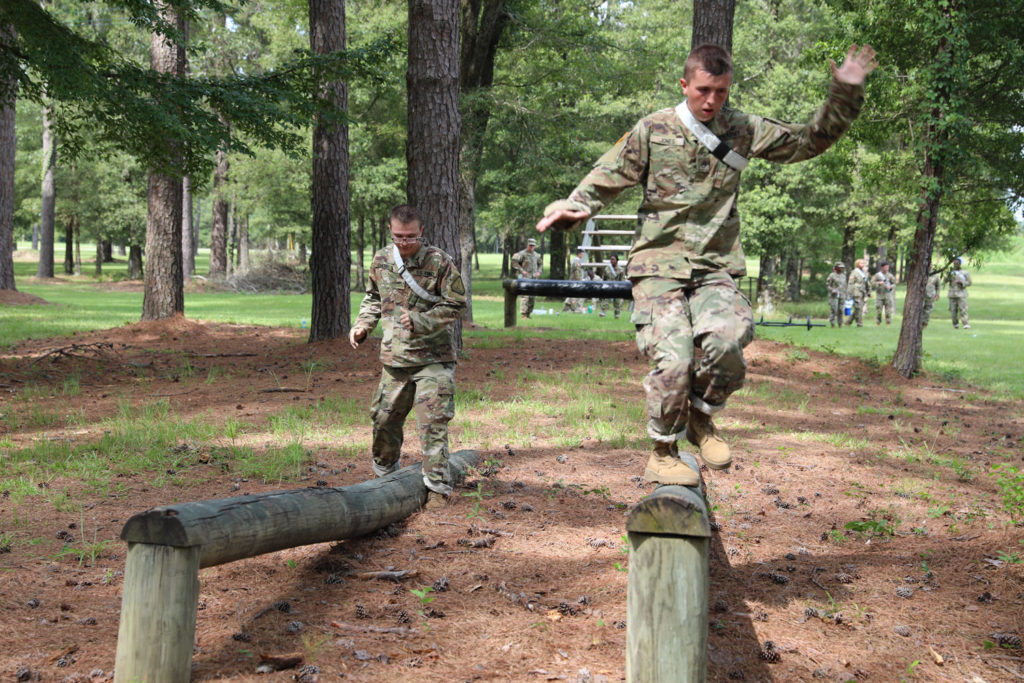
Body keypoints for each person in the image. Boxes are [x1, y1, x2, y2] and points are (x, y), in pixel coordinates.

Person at [536, 43, 877, 485]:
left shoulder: (742, 129)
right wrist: (575, 205)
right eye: (703, 90)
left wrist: (844, 94)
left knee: (730, 343)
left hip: (715, 266)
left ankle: (700, 415)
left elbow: (808, 141)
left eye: (721, 91)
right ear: (685, 85)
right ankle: (663, 450)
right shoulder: (653, 129)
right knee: (674, 358)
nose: (711, 100)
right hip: (659, 265)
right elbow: (607, 176)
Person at [349, 204, 467, 497]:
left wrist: (421, 321)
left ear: (421, 232)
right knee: (384, 420)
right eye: (399, 236)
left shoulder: (439, 262)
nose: (404, 243)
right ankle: (385, 478)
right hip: (395, 358)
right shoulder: (380, 260)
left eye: (410, 237)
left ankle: (438, 490)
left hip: (434, 358)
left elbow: (456, 303)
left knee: (432, 424)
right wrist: (362, 325)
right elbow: (373, 298)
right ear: (390, 231)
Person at [511, 238, 542, 319]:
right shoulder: (522, 254)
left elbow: (540, 264)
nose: (531, 247)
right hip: (525, 278)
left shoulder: (536, 255)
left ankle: (529, 313)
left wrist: (539, 272)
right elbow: (514, 262)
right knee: (525, 296)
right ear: (527, 245)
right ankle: (524, 314)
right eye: (530, 245)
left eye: (533, 246)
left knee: (532, 297)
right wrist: (521, 270)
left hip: (534, 279)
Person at [599, 254, 627, 318]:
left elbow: (622, 281)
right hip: (608, 288)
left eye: (613, 259)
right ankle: (601, 316)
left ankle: (617, 317)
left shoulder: (621, 270)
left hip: (617, 288)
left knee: (618, 303)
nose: (612, 261)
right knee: (604, 302)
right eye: (611, 259)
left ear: (617, 260)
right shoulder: (607, 269)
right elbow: (604, 279)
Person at [947, 257, 972, 329]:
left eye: (957, 263)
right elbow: (945, 281)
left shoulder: (964, 273)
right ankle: (955, 324)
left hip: (961, 293)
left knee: (963, 309)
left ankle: (965, 323)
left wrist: (962, 283)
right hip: (952, 294)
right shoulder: (950, 272)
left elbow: (969, 282)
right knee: (953, 310)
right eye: (954, 263)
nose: (956, 264)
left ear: (960, 264)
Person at [846, 258, 870, 327]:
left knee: (858, 308)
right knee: (858, 308)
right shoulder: (854, 272)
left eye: (863, 263)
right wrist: (849, 293)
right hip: (856, 293)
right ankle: (859, 323)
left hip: (863, 292)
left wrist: (869, 291)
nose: (863, 264)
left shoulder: (864, 273)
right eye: (861, 263)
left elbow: (867, 283)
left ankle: (848, 321)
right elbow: (850, 284)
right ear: (857, 264)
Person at [871, 260, 896, 325]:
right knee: (879, 310)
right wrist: (879, 283)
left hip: (887, 295)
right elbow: (872, 283)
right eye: (885, 267)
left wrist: (891, 287)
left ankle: (888, 322)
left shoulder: (890, 275)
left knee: (888, 311)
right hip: (879, 296)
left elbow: (894, 283)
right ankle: (878, 322)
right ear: (882, 267)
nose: (887, 268)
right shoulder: (877, 275)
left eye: (888, 267)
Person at [562, 247, 586, 313]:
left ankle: (566, 307)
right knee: (573, 295)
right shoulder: (576, 261)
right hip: (575, 281)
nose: (582, 255)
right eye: (582, 254)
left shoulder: (576, 261)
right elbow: (576, 272)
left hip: (574, 281)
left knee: (571, 295)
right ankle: (574, 309)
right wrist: (580, 280)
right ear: (579, 254)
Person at [825, 261, 847, 328]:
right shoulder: (832, 275)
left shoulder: (843, 276)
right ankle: (833, 324)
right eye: (840, 267)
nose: (842, 269)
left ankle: (840, 324)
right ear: (836, 267)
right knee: (834, 309)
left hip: (842, 295)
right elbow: (827, 285)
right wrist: (832, 290)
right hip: (834, 296)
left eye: (842, 267)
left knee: (841, 310)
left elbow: (845, 285)